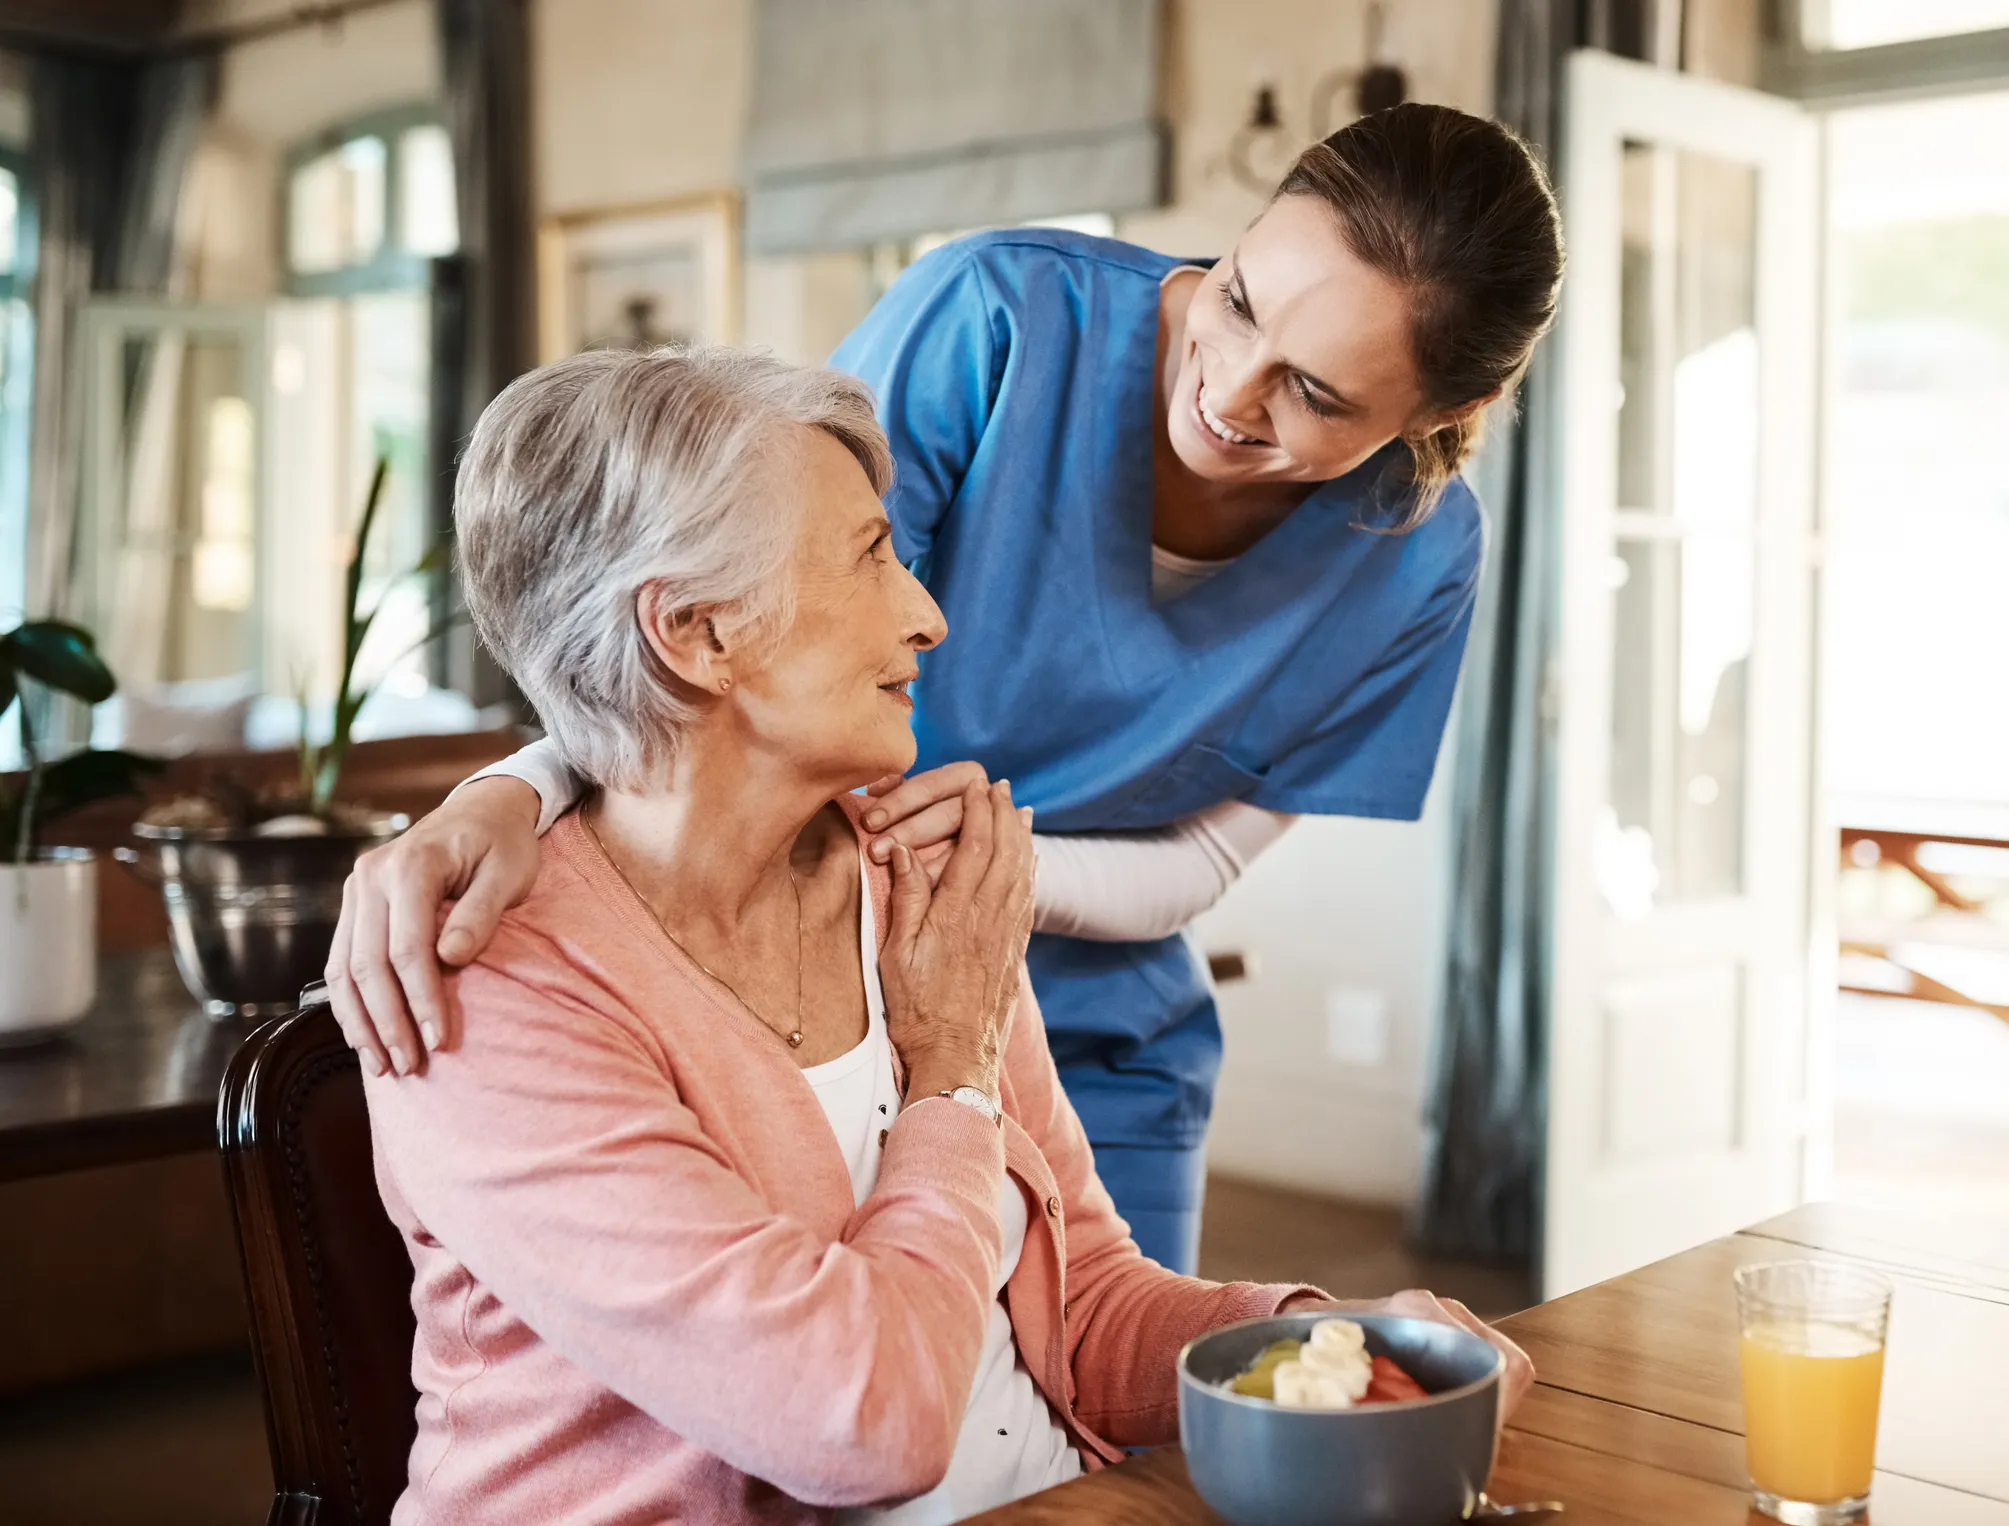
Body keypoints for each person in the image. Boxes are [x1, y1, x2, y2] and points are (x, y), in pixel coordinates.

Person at [331, 103, 1567, 1275]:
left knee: (1109, 1450)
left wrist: (987, 885)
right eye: (1237, 300)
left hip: (1096, 1033)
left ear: (1446, 411)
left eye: (1314, 393)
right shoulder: (997, 320)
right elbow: (713, 617)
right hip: (807, 988)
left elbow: (1204, 863)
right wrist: (514, 786)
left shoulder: (1416, 559)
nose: (1228, 391)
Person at [362, 345, 1533, 1523]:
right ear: (698, 634)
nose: (925, 616)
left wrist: (1318, 1341)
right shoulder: (486, 987)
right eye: (872, 556)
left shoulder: (916, 884)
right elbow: (864, 1422)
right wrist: (952, 1074)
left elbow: (1083, 1309)